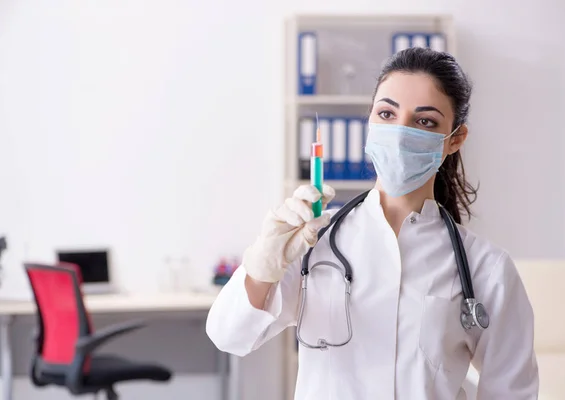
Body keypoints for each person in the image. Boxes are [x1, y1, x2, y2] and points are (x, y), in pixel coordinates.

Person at [206, 47, 539, 399]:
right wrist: (262, 267)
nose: (400, 133)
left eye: (424, 121)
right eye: (386, 113)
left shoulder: (487, 268)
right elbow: (230, 336)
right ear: (369, 122)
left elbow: (512, 392)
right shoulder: (312, 240)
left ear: (454, 139)